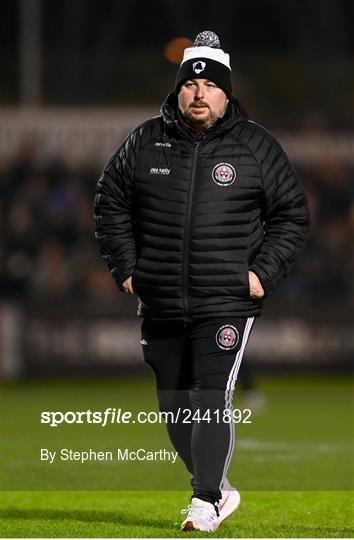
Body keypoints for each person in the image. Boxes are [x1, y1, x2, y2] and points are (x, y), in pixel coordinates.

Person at [94, 31, 310, 532]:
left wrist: (262, 273)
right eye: (191, 85)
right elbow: (110, 202)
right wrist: (125, 266)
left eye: (211, 85)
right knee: (173, 408)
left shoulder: (256, 145)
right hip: (161, 297)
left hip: (226, 300)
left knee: (210, 396)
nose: (199, 93)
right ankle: (221, 488)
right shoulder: (145, 139)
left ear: (226, 94)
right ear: (178, 91)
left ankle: (205, 500)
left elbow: (292, 215)